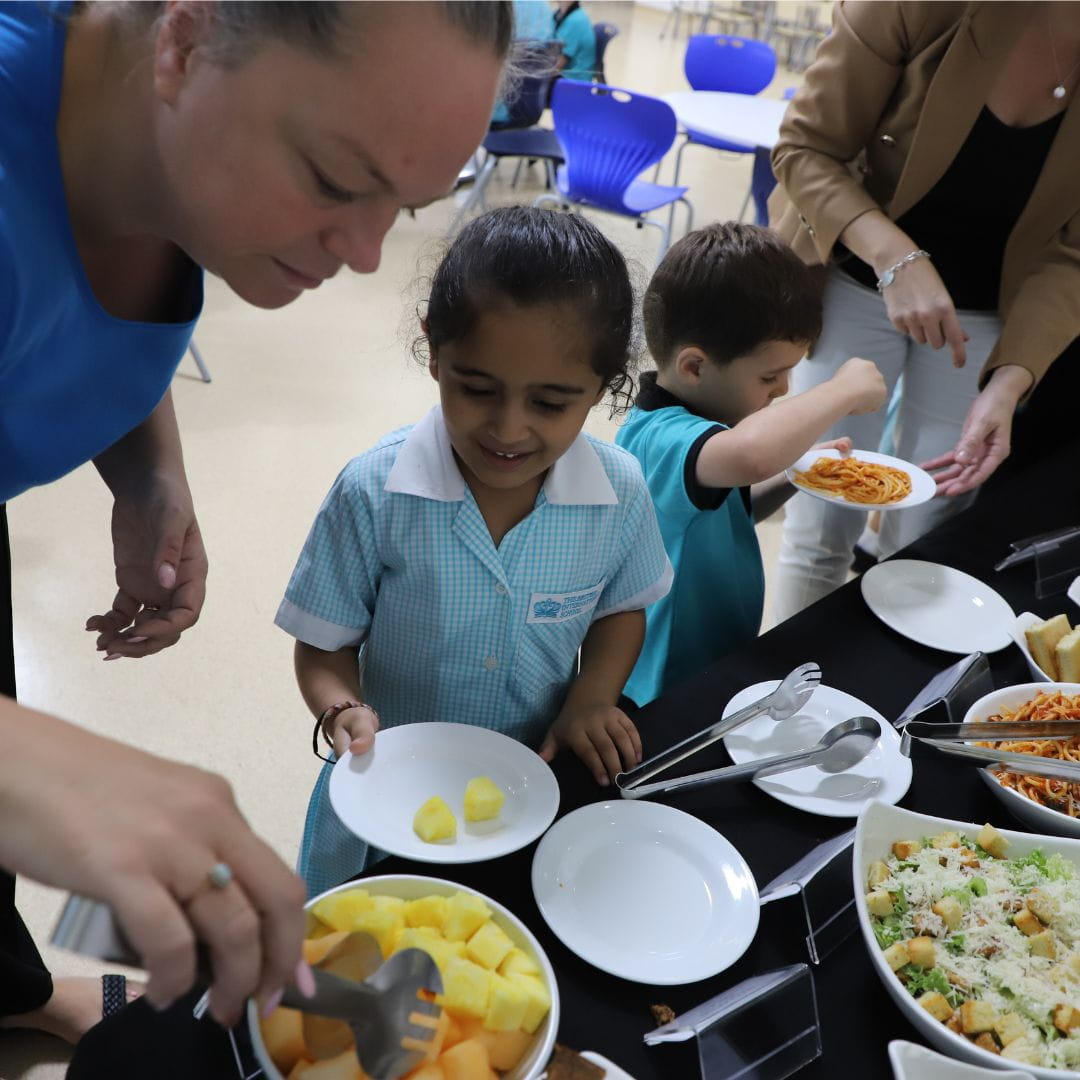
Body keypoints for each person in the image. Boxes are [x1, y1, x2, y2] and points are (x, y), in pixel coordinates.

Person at [0, 0, 510, 1051]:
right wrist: (35, 770)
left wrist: (148, 472)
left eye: (405, 206)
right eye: (334, 180)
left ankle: (6, 991)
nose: (366, 256)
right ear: (182, 45)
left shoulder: (143, 126)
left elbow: (103, 271)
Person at [275, 206, 672, 896]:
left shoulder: (621, 493)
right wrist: (343, 712)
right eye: (477, 388)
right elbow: (322, 645)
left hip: (530, 788)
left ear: (605, 387)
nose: (509, 428)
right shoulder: (375, 492)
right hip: (390, 795)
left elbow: (620, 609)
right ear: (434, 352)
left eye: (550, 403)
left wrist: (591, 697)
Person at [769, 0, 1080, 619]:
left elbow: (1072, 252)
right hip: (855, 271)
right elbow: (806, 148)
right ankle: (786, 702)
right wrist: (896, 259)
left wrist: (1012, 379)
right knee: (820, 520)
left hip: (989, 316)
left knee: (928, 531)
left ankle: (885, 703)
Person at [616, 223, 886, 707]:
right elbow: (750, 455)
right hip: (663, 682)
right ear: (694, 367)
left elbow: (724, 512)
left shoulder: (702, 435)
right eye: (770, 375)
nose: (782, 388)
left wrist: (798, 474)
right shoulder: (663, 437)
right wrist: (842, 389)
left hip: (713, 656)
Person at [553, 1, 596, 82]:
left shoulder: (576, 21)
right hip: (565, 76)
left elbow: (560, 63)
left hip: (573, 81)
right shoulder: (559, 14)